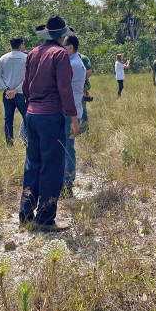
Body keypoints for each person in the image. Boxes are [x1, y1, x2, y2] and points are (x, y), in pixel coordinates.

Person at [19, 15, 79, 232]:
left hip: (32, 115)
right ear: (63, 35)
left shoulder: (33, 52)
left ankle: (25, 215)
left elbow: (25, 86)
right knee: (52, 167)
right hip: (51, 116)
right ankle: (45, 218)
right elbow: (65, 88)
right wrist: (73, 117)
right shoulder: (60, 54)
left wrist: (32, 107)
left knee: (32, 165)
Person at [61, 35, 87, 197]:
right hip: (69, 111)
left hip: (70, 113)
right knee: (64, 147)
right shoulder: (73, 61)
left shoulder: (73, 64)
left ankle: (67, 185)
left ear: (70, 47)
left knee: (67, 149)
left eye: (63, 45)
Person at [0, 35, 28, 146]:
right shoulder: (26, 58)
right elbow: (29, 77)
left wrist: (6, 90)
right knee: (27, 118)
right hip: (21, 94)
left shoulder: (3, 58)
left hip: (7, 94)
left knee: (8, 120)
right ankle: (26, 141)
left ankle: (9, 144)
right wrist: (16, 90)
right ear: (21, 45)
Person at [80, 52, 93, 132]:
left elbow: (89, 72)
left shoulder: (83, 58)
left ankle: (84, 130)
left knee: (82, 109)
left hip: (81, 88)